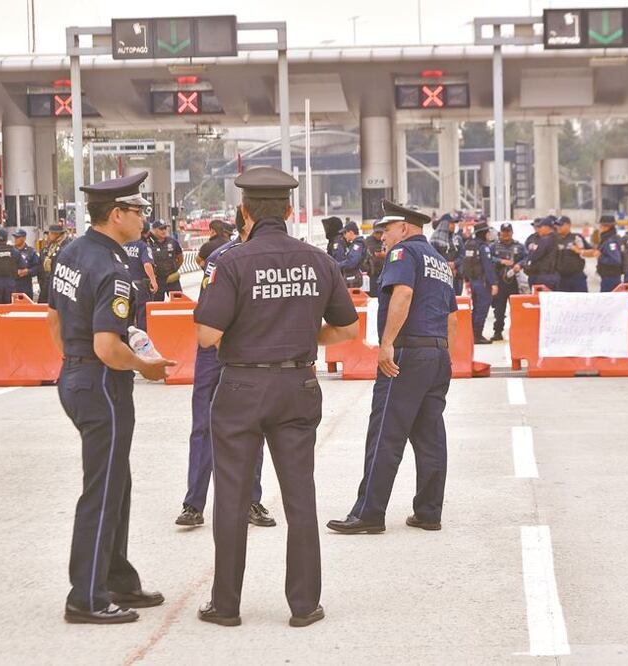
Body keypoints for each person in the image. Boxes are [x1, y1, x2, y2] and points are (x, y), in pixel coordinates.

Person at [193, 166, 359, 629]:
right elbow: (347, 329)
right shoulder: (320, 260)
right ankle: (304, 605)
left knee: (230, 496)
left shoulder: (230, 262)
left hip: (242, 386)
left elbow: (207, 334)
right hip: (297, 385)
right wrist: (305, 337)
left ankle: (225, 605)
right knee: (300, 496)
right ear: (289, 211)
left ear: (244, 212)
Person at [46, 171, 175, 625]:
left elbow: (54, 319)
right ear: (116, 214)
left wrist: (75, 364)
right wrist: (147, 367)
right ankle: (87, 597)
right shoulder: (113, 270)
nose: (143, 218)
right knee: (102, 490)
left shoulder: (72, 251)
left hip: (79, 376)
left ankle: (118, 577)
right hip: (102, 382)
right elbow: (108, 346)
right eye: (138, 210)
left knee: (117, 482)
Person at [328, 200, 458, 536]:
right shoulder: (440, 261)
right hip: (436, 355)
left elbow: (402, 294)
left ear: (405, 227)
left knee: (385, 432)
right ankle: (429, 511)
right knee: (430, 437)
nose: (382, 237)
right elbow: (452, 316)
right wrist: (446, 356)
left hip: (408, 354)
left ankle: (369, 513)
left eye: (386, 230)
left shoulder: (405, 254)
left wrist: (387, 345)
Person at [176, 207, 274, 531]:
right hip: (215, 352)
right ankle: (194, 503)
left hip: (251, 354)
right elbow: (206, 314)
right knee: (204, 426)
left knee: (252, 428)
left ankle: (250, 500)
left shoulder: (268, 257)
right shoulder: (220, 258)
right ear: (246, 221)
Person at [462, 220, 498, 344]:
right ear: (483, 233)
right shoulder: (483, 247)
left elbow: (465, 264)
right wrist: (493, 283)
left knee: (476, 309)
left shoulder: (469, 244)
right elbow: (488, 267)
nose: (489, 234)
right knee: (482, 309)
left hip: (473, 281)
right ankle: (477, 335)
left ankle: (472, 334)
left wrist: (467, 280)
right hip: (483, 283)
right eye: (487, 232)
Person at [489, 222, 526, 341]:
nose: (506, 234)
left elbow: (527, 258)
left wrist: (519, 265)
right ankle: (498, 332)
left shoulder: (519, 246)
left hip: (514, 282)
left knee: (516, 309)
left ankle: (518, 332)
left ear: (511, 232)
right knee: (499, 309)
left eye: (508, 231)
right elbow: (487, 258)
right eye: (504, 231)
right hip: (499, 281)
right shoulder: (494, 246)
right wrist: (501, 261)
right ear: (500, 232)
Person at [122, 224, 158, 331]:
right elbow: (147, 264)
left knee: (126, 315)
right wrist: (153, 281)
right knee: (142, 315)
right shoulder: (143, 246)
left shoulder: (123, 245)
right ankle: (142, 340)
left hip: (123, 284)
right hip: (139, 286)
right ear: (146, 233)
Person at [0, 227, 25, 306]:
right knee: (10, 311)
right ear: (7, 239)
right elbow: (23, 266)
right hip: (10, 285)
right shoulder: (14, 251)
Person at [554, 215, 592, 292]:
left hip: (576, 277)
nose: (558, 227)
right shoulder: (554, 239)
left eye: (561, 225)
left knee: (581, 301)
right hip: (561, 278)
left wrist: (579, 251)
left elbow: (592, 252)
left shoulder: (576, 238)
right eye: (557, 225)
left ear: (568, 225)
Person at [149, 221, 184, 300]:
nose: (164, 231)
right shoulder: (149, 243)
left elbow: (180, 258)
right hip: (157, 280)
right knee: (156, 307)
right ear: (154, 230)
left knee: (179, 303)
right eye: (161, 229)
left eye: (165, 228)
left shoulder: (173, 242)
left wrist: (174, 269)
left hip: (172, 279)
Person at [522, 217, 560, 291]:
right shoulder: (558, 238)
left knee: (541, 299)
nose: (539, 229)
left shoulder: (545, 240)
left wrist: (532, 253)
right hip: (554, 275)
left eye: (540, 227)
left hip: (545, 275)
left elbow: (535, 255)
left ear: (546, 227)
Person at [430, 213, 463, 295]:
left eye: (454, 223)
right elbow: (433, 256)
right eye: (451, 223)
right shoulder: (434, 240)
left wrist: (455, 264)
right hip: (442, 278)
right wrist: (447, 266)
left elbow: (462, 254)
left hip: (456, 276)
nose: (453, 226)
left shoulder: (457, 239)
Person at [37, 225, 70, 303]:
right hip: (47, 282)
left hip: (57, 284)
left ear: (57, 234)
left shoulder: (65, 248)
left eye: (50, 233)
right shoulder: (50, 247)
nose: (48, 236)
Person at [333, 221, 367, 289]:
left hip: (353, 279)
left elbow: (352, 262)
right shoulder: (356, 243)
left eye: (345, 233)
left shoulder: (357, 244)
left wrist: (338, 265)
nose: (344, 235)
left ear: (351, 232)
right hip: (353, 278)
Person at [596, 215, 623, 292]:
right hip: (608, 277)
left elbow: (616, 260)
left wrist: (600, 257)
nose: (600, 227)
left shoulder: (610, 241)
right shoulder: (608, 238)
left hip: (611, 278)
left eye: (601, 225)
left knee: (607, 301)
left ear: (606, 226)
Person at [11, 229, 40, 300]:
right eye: (15, 237)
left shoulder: (31, 252)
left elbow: (37, 267)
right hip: (12, 285)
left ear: (24, 238)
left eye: (17, 237)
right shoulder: (10, 251)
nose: (15, 239)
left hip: (25, 285)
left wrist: (28, 271)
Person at [363, 226, 387, 298]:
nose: (379, 235)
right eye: (377, 233)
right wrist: (386, 253)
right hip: (372, 273)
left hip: (382, 273)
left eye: (381, 233)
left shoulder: (384, 240)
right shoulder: (369, 241)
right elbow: (377, 253)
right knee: (373, 296)